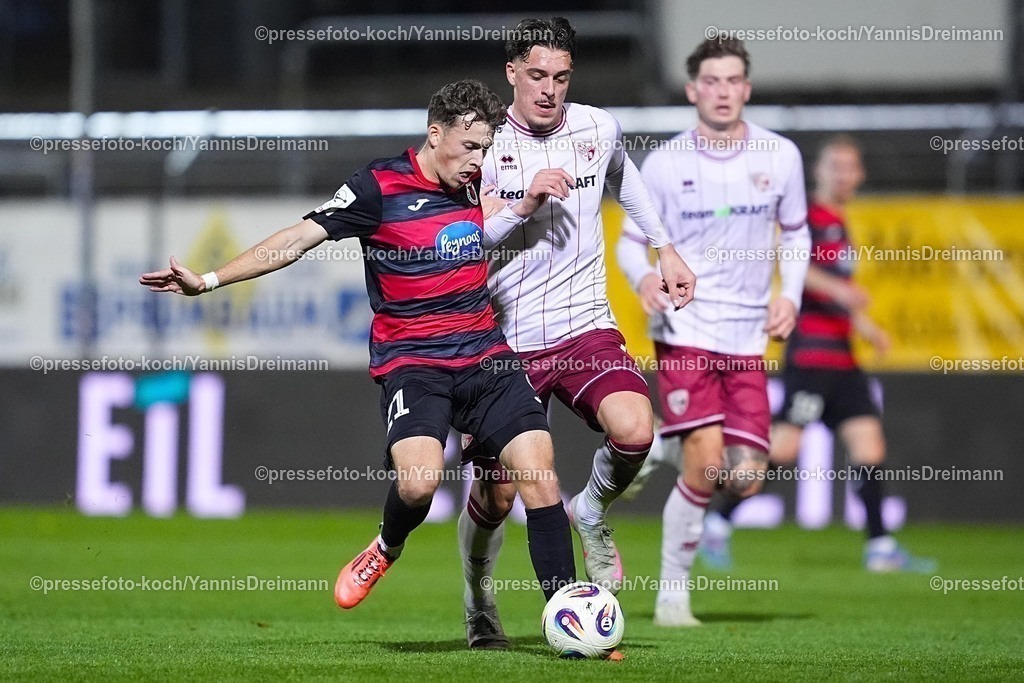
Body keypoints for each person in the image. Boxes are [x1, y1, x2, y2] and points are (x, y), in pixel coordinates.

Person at [139, 80, 578, 612]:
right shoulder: (377, 186)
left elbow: (476, 232)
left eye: (485, 148)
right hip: (415, 365)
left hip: (486, 355)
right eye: (469, 147)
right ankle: (385, 547)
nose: (478, 160)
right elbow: (297, 239)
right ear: (434, 134)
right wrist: (208, 281)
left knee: (540, 476)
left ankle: (567, 614)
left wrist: (525, 202)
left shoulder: (474, 181)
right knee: (418, 485)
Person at [456, 17, 696, 649]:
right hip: (503, 343)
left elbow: (627, 178)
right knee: (497, 493)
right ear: (511, 73)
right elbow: (464, 246)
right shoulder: (481, 147)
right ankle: (479, 597)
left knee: (636, 428)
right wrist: (521, 205)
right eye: (536, 75)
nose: (549, 90)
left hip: (584, 327)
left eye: (561, 77)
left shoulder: (597, 127)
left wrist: (664, 247)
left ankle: (590, 509)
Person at [616, 37, 810, 626]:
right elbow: (629, 243)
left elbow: (797, 233)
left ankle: (662, 443)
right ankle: (673, 598)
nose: (722, 91)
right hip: (685, 324)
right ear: (692, 89)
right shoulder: (667, 163)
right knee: (707, 465)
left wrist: (791, 296)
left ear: (746, 89)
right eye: (712, 81)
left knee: (746, 479)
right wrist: (645, 280)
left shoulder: (780, 157)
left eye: (733, 81)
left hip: (747, 335)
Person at [698, 135, 936, 573]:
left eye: (850, 167)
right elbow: (784, 256)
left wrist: (865, 325)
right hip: (811, 357)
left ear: (859, 175)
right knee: (784, 449)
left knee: (869, 446)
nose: (843, 174)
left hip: (844, 360)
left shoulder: (840, 222)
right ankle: (717, 523)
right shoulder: (809, 214)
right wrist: (838, 289)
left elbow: (833, 291)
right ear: (819, 171)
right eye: (835, 166)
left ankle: (880, 547)